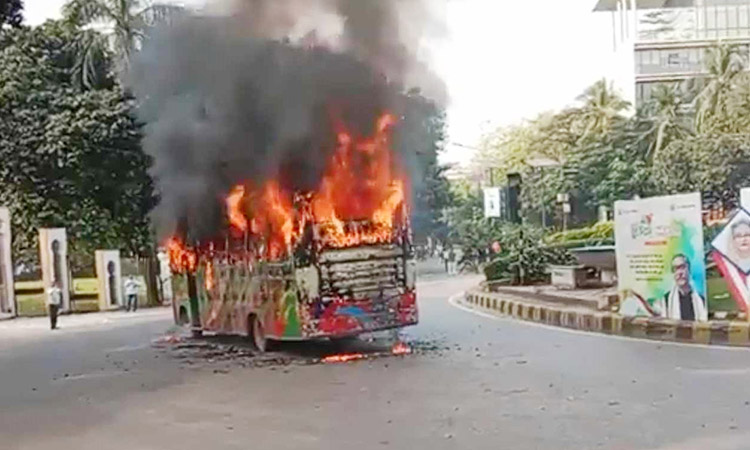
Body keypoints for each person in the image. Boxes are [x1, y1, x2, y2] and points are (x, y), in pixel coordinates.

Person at [657, 254, 707, 322]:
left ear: (689, 269)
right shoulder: (666, 300)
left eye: (682, 267)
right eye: (676, 269)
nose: (680, 273)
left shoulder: (701, 300)